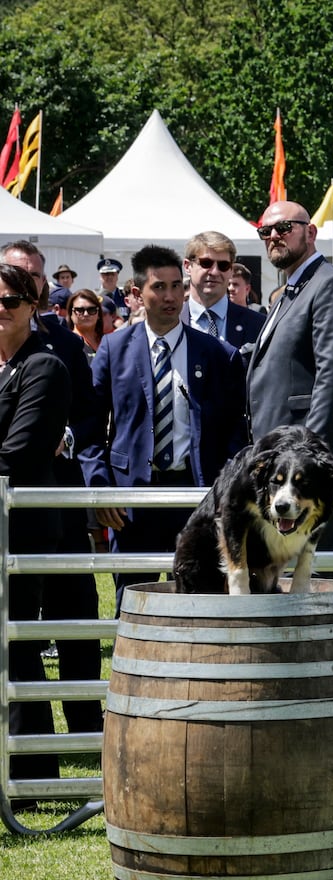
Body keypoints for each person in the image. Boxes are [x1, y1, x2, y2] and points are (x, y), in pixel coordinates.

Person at [78, 244, 248, 605]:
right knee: (131, 599)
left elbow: (237, 429)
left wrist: (226, 491)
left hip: (198, 495)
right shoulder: (113, 348)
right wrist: (101, 487)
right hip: (131, 499)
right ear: (138, 294)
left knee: (200, 597)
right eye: (160, 287)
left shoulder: (217, 354)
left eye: (177, 287)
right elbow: (89, 429)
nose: (171, 297)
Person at [0, 261, 73, 796]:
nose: (0, 311)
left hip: (21, 526)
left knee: (18, 641)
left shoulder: (43, 367)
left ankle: (33, 772)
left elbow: (20, 451)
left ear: (32, 307)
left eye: (9, 301)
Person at [244, 201, 333, 474]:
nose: (274, 236)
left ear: (310, 233)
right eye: (266, 232)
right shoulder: (288, 292)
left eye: (284, 228)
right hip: (280, 453)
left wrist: (309, 454)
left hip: (312, 460)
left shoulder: (332, 284)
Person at [181, 231, 266, 352]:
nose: (215, 272)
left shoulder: (258, 325)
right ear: (187, 266)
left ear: (231, 270)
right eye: (206, 263)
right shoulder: (169, 323)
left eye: (223, 265)